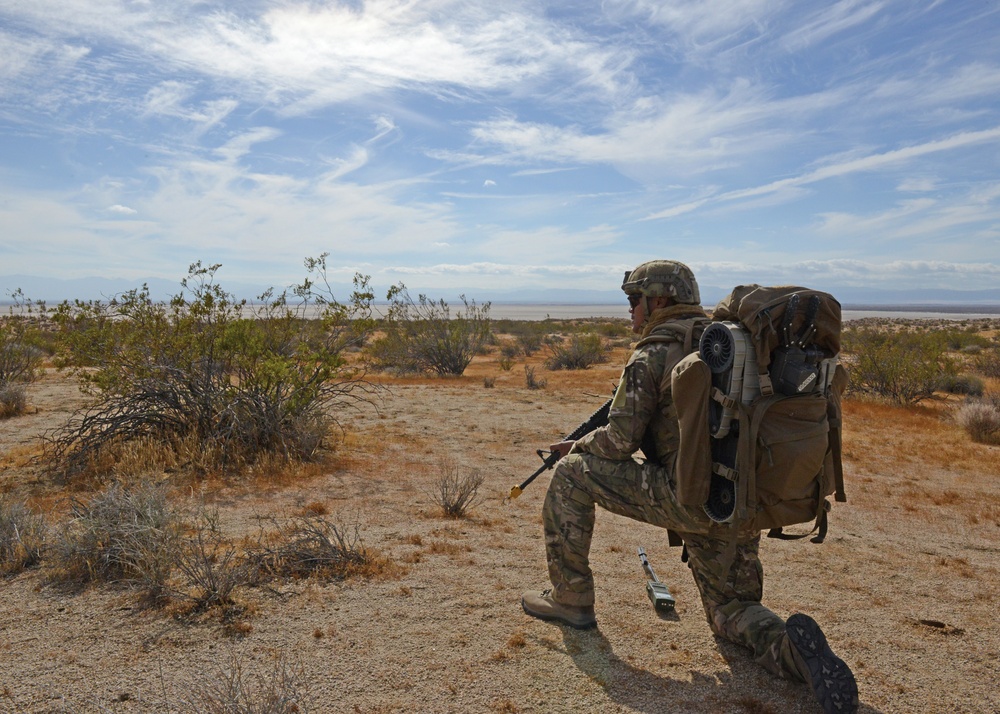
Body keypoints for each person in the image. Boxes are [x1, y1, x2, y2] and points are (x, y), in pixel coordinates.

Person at [520, 260, 858, 714]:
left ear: (657, 300)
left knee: (572, 473)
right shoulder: (727, 347)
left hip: (689, 497)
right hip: (735, 500)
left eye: (633, 301)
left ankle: (570, 598)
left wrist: (576, 445)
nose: (630, 313)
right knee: (730, 611)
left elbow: (619, 441)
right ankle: (793, 655)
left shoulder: (653, 352)